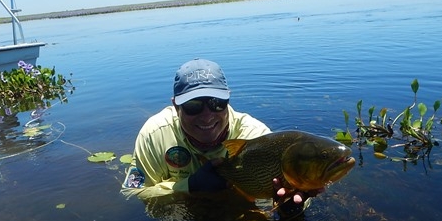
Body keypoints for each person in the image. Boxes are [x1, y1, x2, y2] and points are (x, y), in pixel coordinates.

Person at [121, 58, 319, 205]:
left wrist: (290, 206)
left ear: (228, 100)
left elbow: (293, 188)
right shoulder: (155, 134)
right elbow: (132, 193)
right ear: (176, 106)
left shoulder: (256, 136)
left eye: (217, 103)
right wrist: (189, 186)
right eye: (193, 105)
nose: (207, 116)